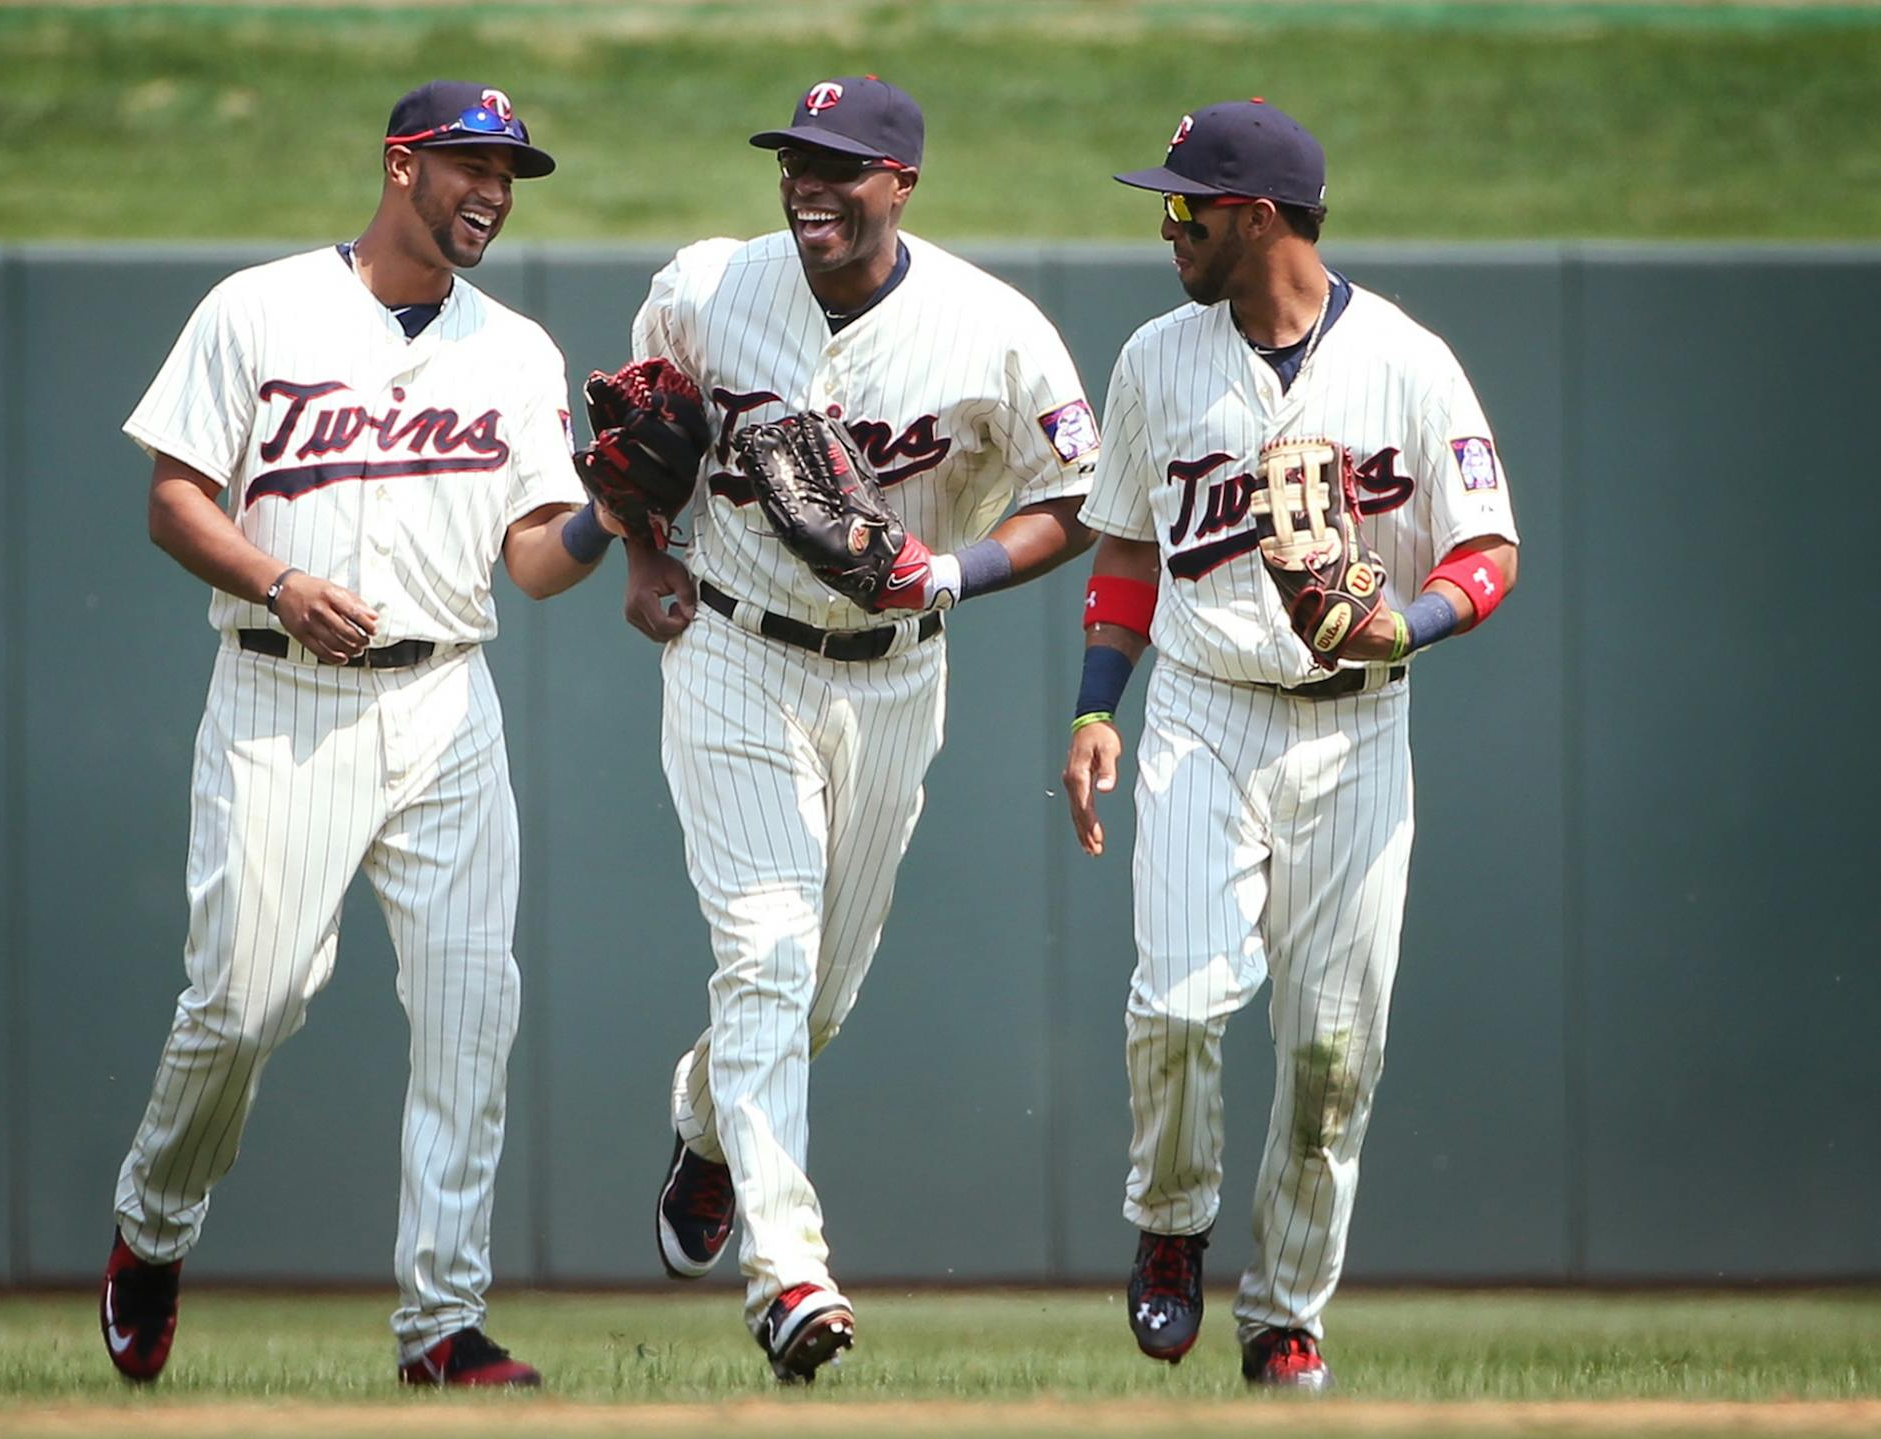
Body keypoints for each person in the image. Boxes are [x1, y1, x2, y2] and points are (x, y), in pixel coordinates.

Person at [98, 79, 624, 1390]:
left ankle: (441, 1325)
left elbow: (532, 564)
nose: (493, 192)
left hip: (447, 697)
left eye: (508, 174)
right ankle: (153, 1231)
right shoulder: (260, 307)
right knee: (247, 999)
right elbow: (174, 499)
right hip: (283, 693)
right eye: (469, 167)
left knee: (468, 1011)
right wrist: (276, 580)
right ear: (402, 165)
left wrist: (614, 510)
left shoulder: (513, 348)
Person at [617, 74, 1101, 1383]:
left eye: (838, 164)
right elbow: (626, 438)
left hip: (893, 673)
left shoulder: (992, 331)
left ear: (901, 184)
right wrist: (640, 555)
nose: (807, 183)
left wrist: (953, 573)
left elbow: (1072, 498)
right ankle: (791, 1276)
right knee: (768, 954)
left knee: (818, 995)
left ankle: (705, 1120)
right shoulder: (710, 288)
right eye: (793, 159)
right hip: (730, 651)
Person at [1061, 99, 1520, 1392]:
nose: (1169, 225)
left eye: (1185, 207)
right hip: (1203, 713)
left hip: (1358, 730)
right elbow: (1128, 547)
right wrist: (1098, 707)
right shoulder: (1159, 357)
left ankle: (1285, 1316)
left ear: (1254, 218)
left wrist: (1406, 624)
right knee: (1179, 1000)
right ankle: (1170, 1225)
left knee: (1332, 1053)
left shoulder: (1409, 363)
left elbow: (1492, 548)